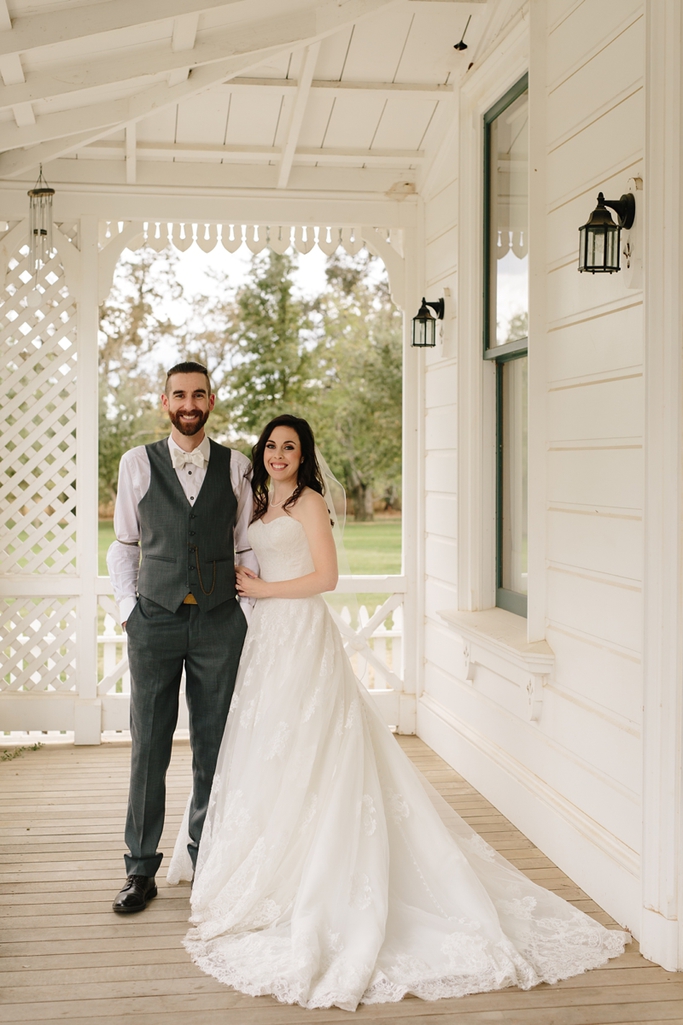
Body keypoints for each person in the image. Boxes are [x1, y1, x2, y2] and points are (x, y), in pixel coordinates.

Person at [168, 413, 628, 1011]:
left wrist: (265, 590)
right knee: (268, 744)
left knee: (314, 742)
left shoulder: (308, 502)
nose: (279, 454)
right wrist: (252, 577)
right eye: (273, 446)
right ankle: (271, 853)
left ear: (305, 456)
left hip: (302, 632)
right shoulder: (259, 501)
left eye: (290, 447)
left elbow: (327, 578)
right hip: (267, 638)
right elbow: (277, 564)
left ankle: (317, 871)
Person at [107, 361, 258, 914]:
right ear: (165, 402)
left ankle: (205, 856)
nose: (189, 403)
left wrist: (243, 609)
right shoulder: (136, 464)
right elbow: (124, 544)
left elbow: (244, 548)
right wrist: (130, 610)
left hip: (220, 621)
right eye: (179, 395)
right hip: (156, 620)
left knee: (215, 747)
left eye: (198, 394)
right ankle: (139, 870)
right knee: (149, 744)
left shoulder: (237, 465)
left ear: (211, 400)